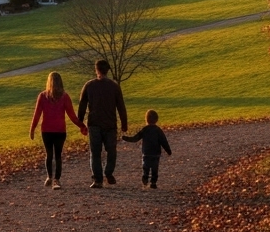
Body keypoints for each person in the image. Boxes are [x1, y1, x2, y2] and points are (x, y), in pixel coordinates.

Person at [30, 71, 87, 189]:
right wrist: (81, 126)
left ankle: (50, 177)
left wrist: (32, 129)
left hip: (46, 130)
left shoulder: (43, 96)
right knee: (58, 155)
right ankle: (56, 180)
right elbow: (72, 116)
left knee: (49, 154)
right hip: (60, 131)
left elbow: (37, 115)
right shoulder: (64, 97)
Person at [77, 59, 128, 188]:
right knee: (111, 150)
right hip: (110, 124)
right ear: (108, 70)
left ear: (96, 70)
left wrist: (80, 121)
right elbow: (121, 106)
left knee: (95, 152)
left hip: (94, 123)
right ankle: (109, 172)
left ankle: (98, 179)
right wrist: (124, 123)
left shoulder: (89, 85)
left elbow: (82, 105)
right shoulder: (114, 86)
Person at [123, 109, 172, 189]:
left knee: (146, 166)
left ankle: (145, 176)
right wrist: (168, 151)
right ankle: (153, 182)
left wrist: (126, 138)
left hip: (146, 152)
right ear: (156, 120)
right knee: (155, 168)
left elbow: (136, 138)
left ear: (146, 119)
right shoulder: (158, 130)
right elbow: (164, 141)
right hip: (156, 153)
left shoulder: (145, 130)